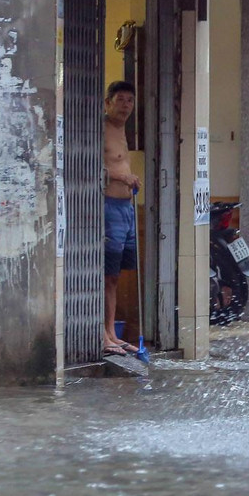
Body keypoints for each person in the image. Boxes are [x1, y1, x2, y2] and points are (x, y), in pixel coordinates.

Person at [103, 81, 140, 357]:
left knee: (115, 276)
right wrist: (120, 177)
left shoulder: (123, 130)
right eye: (121, 100)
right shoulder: (101, 128)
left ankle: (112, 333)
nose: (126, 105)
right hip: (108, 207)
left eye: (130, 100)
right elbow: (92, 165)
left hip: (126, 207)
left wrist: (130, 180)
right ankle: (104, 334)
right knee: (106, 274)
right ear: (108, 102)